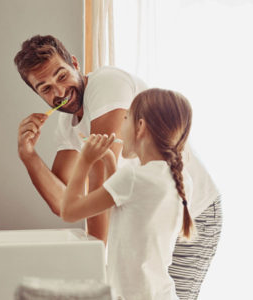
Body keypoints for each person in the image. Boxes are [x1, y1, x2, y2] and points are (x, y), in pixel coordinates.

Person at [14, 35, 222, 300]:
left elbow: (96, 181)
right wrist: (28, 155)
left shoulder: (106, 85)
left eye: (62, 76)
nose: (59, 92)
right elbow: (62, 201)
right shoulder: (67, 126)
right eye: (45, 88)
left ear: (75, 64)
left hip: (193, 211)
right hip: (147, 218)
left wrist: (96, 267)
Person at [61, 88, 194, 299]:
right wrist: (110, 161)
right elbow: (127, 209)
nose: (121, 127)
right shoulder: (179, 177)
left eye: (125, 119)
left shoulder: (133, 177)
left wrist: (84, 160)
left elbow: (69, 211)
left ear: (140, 126)